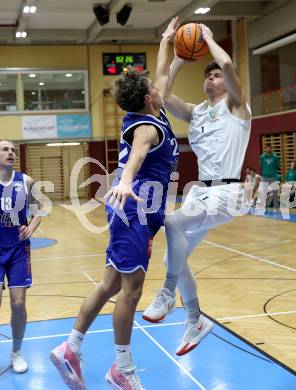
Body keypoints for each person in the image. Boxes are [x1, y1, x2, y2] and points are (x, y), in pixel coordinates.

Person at [50, 18, 179, 390]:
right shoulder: (147, 127)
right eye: (154, 87)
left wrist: (166, 41)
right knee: (131, 290)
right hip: (134, 207)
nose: (159, 86)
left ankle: (70, 348)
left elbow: (165, 70)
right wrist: (123, 183)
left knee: (109, 283)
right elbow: (137, 156)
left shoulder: (155, 112)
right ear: (148, 98)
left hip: (137, 210)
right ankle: (121, 367)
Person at [143, 23, 252, 356]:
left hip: (229, 192)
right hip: (200, 193)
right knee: (171, 253)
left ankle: (167, 293)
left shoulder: (236, 107)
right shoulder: (196, 112)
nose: (212, 78)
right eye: (208, 75)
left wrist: (206, 39)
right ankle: (195, 318)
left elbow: (231, 65)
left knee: (173, 224)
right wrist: (175, 58)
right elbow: (158, 96)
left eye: (216, 75)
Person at [0, 140, 41, 373]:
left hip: (17, 249)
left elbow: (37, 214)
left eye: (13, 149)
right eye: (5, 149)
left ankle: (16, 352)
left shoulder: (26, 182)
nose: (11, 152)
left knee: (18, 304)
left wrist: (30, 229)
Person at [260, 143, 280, 209]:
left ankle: (276, 205)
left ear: (271, 148)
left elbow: (277, 166)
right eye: (266, 147)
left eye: (269, 147)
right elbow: (261, 166)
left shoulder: (275, 157)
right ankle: (264, 205)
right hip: (264, 177)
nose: (268, 149)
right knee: (264, 192)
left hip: (273, 176)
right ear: (265, 149)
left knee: (275, 191)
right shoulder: (262, 157)